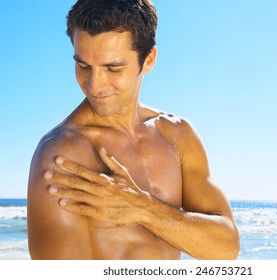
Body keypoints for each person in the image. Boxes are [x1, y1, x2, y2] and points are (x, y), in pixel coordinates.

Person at [27, 0, 239, 260]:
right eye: (83, 66)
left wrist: (143, 208)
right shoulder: (62, 152)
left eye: (112, 68)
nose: (95, 84)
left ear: (148, 59)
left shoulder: (178, 135)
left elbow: (226, 248)